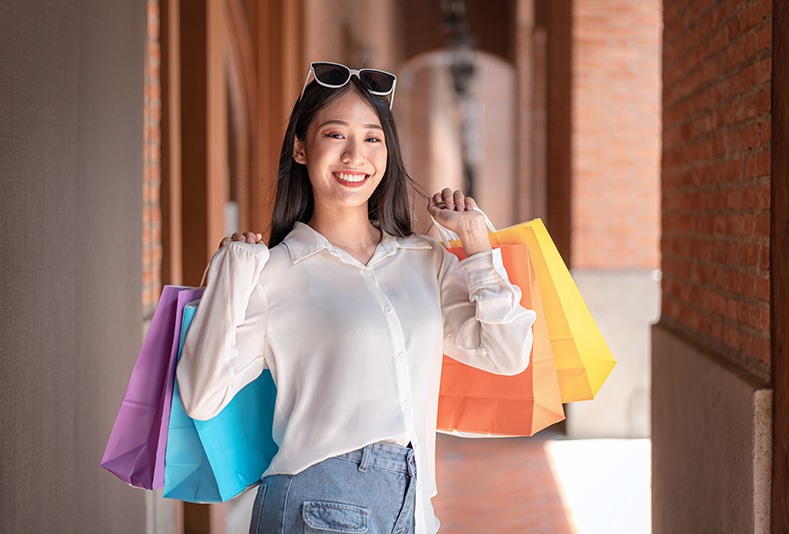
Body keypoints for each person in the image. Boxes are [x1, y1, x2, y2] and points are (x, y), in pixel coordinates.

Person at [176, 62, 536, 534]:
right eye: (335, 135)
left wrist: (476, 244)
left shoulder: (423, 261)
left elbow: (508, 355)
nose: (355, 156)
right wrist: (229, 275)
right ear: (302, 149)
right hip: (316, 505)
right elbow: (202, 398)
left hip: (413, 506)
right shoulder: (272, 272)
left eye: (372, 138)